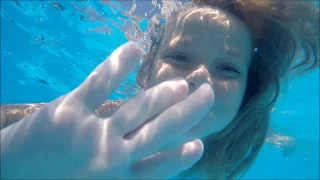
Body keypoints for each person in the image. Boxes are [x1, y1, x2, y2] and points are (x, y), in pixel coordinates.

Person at [1, 0, 319, 179]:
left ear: (246, 92)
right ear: (146, 73)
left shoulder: (237, 140)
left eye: (228, 68)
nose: (201, 78)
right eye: (179, 57)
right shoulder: (96, 127)